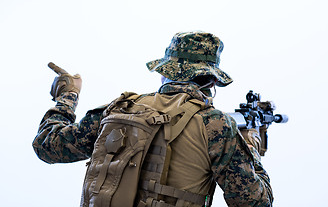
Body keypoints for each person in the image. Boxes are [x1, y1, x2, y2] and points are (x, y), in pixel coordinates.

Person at [33, 31, 273, 207]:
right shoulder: (216, 126)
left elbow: (47, 146)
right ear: (212, 82)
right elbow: (254, 203)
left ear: (165, 72)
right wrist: (249, 147)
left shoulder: (118, 108)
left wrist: (68, 96)